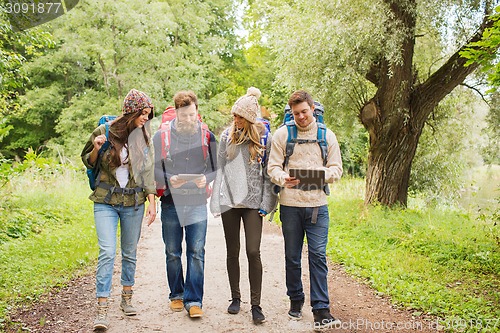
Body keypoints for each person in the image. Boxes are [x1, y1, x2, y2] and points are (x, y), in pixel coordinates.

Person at [81, 89, 157, 331]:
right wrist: (96, 147)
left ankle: (127, 297)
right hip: (105, 201)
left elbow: (148, 171)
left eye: (148, 114)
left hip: (134, 203)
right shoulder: (103, 132)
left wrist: (152, 203)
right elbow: (88, 161)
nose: (146, 118)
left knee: (129, 252)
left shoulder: (144, 136)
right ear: (130, 112)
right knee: (107, 251)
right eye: (143, 113)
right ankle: (102, 308)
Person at [267, 90, 343, 330]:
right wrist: (282, 178)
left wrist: (318, 175)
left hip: (318, 206)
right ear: (291, 113)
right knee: (292, 256)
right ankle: (296, 300)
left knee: (318, 256)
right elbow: (273, 167)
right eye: (296, 113)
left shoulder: (326, 136)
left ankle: (321, 309)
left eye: (304, 112)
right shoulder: (282, 135)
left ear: (312, 109)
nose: (300, 117)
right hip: (290, 206)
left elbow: (336, 170)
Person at [210, 87, 277, 325]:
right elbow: (219, 169)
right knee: (233, 251)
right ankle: (235, 297)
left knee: (253, 251)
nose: (235, 120)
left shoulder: (262, 140)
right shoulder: (227, 137)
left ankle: (256, 305)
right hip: (229, 201)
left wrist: (268, 202)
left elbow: (269, 175)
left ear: (249, 119)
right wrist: (216, 200)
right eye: (234, 116)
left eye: (239, 117)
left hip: (252, 204)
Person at [153, 90, 217, 318]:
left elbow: (216, 167)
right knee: (172, 251)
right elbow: (154, 170)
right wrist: (168, 181)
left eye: (192, 115)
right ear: (176, 114)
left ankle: (194, 300)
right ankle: (176, 295)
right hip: (171, 202)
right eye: (183, 116)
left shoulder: (207, 136)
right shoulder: (161, 137)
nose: (188, 119)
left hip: (198, 202)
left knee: (196, 251)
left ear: (197, 111)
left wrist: (205, 179)